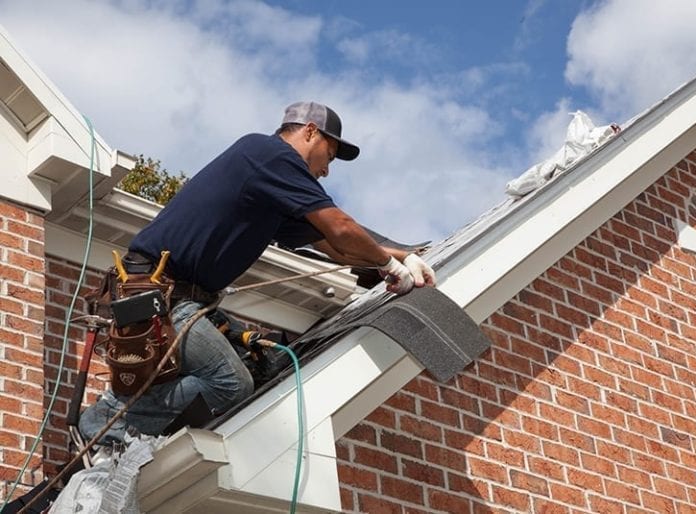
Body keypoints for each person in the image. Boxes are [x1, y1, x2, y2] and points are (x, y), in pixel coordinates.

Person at [79, 101, 436, 443]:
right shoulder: (269, 155)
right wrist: (388, 265)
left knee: (264, 363)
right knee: (231, 384)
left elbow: (336, 245)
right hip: (161, 297)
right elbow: (341, 228)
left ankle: (145, 427)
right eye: (329, 156)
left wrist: (405, 256)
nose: (327, 170)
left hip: (185, 300)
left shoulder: (273, 191)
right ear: (310, 132)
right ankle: (115, 416)